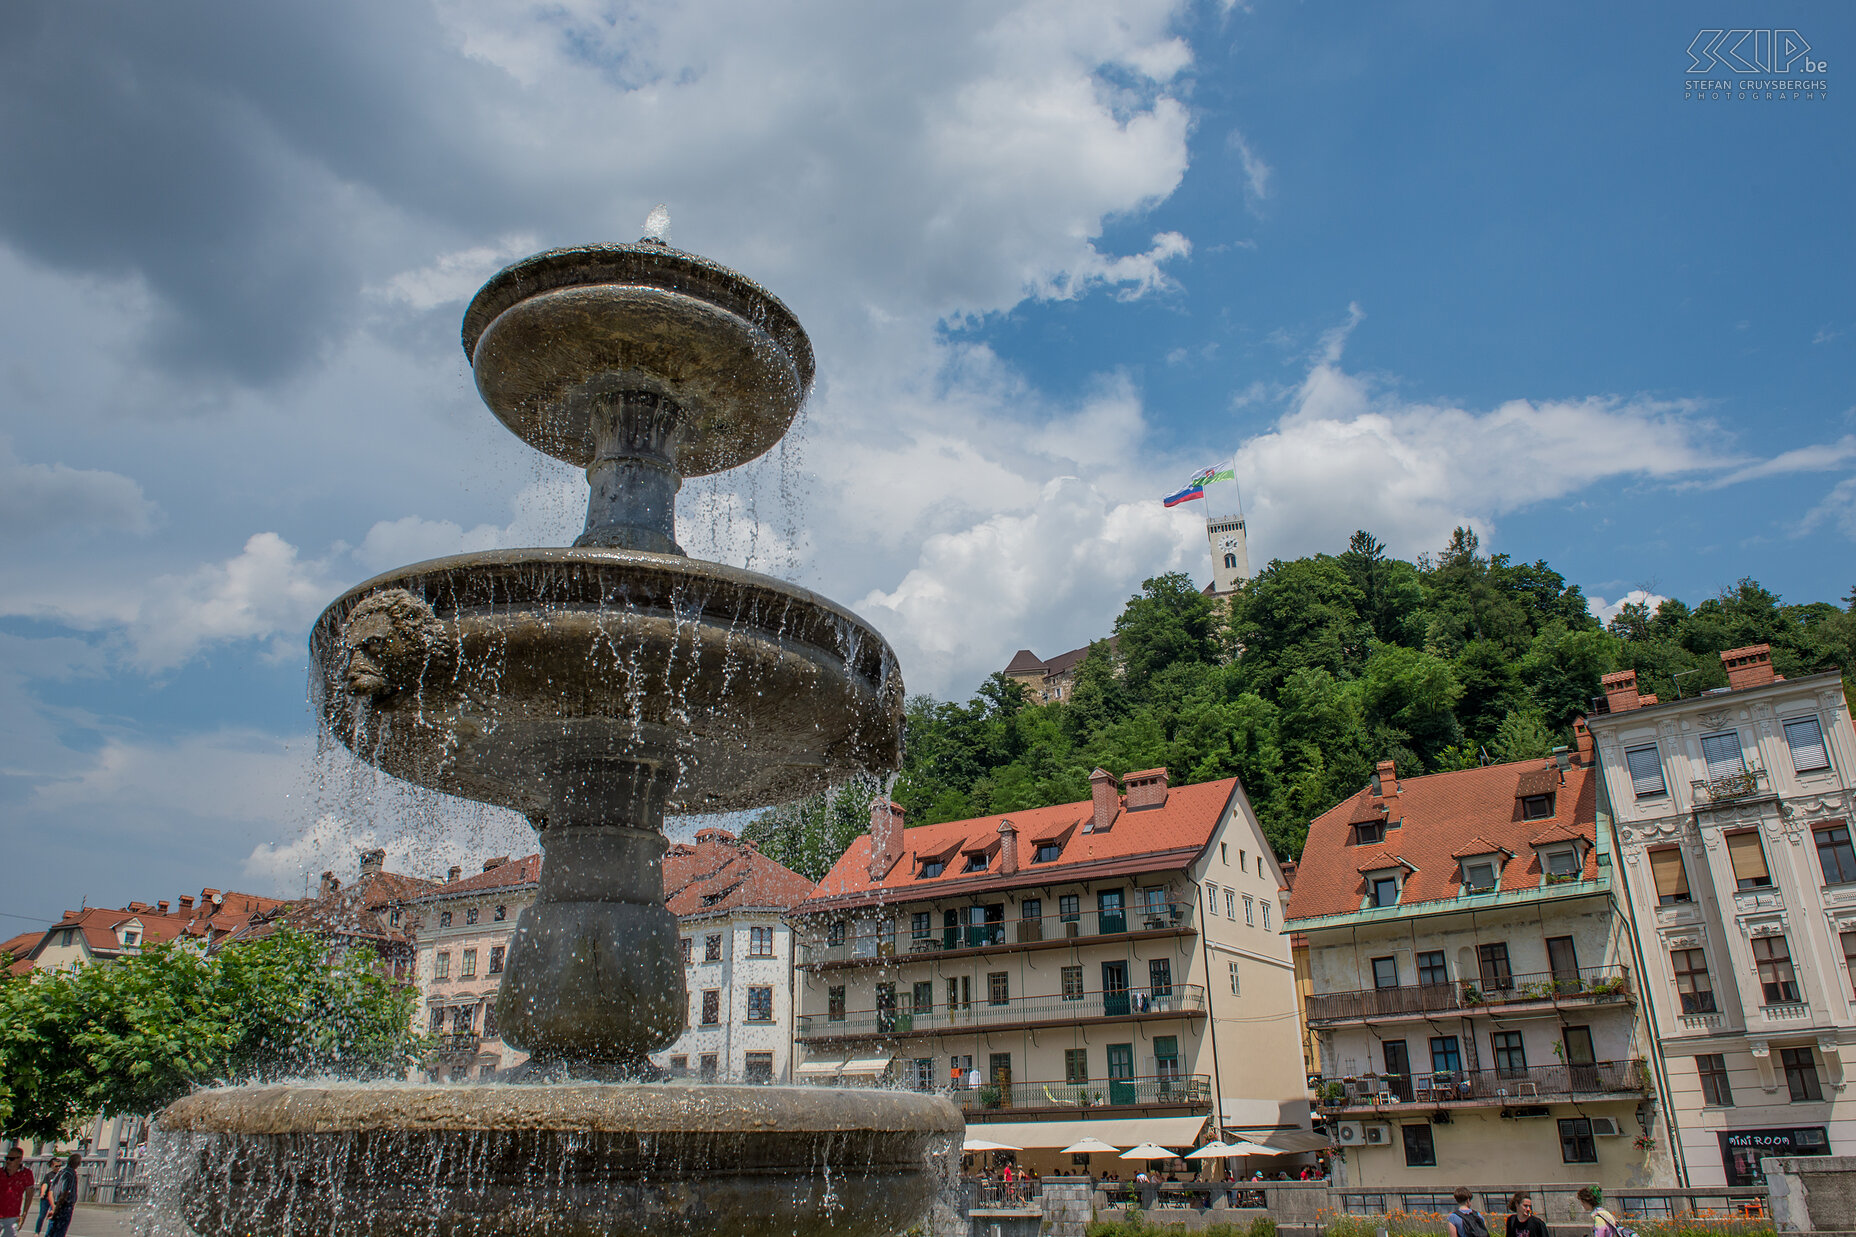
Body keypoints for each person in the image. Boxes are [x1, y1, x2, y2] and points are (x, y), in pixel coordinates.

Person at [43, 1157, 78, 1237]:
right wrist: (56, 1208)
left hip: (56, 1204)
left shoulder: (60, 1173)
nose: (58, 1167)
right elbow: (65, 1192)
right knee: (59, 1231)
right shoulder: (70, 1174)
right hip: (64, 1206)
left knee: (51, 1230)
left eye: (59, 1165)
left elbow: (51, 1190)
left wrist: (53, 1206)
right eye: (56, 1166)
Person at [2, 1149, 34, 1237]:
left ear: (20, 1159)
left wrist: (24, 1214)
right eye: (7, 1158)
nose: (8, 1161)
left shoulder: (26, 1174)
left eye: (11, 1159)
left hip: (12, 1216)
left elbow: (29, 1195)